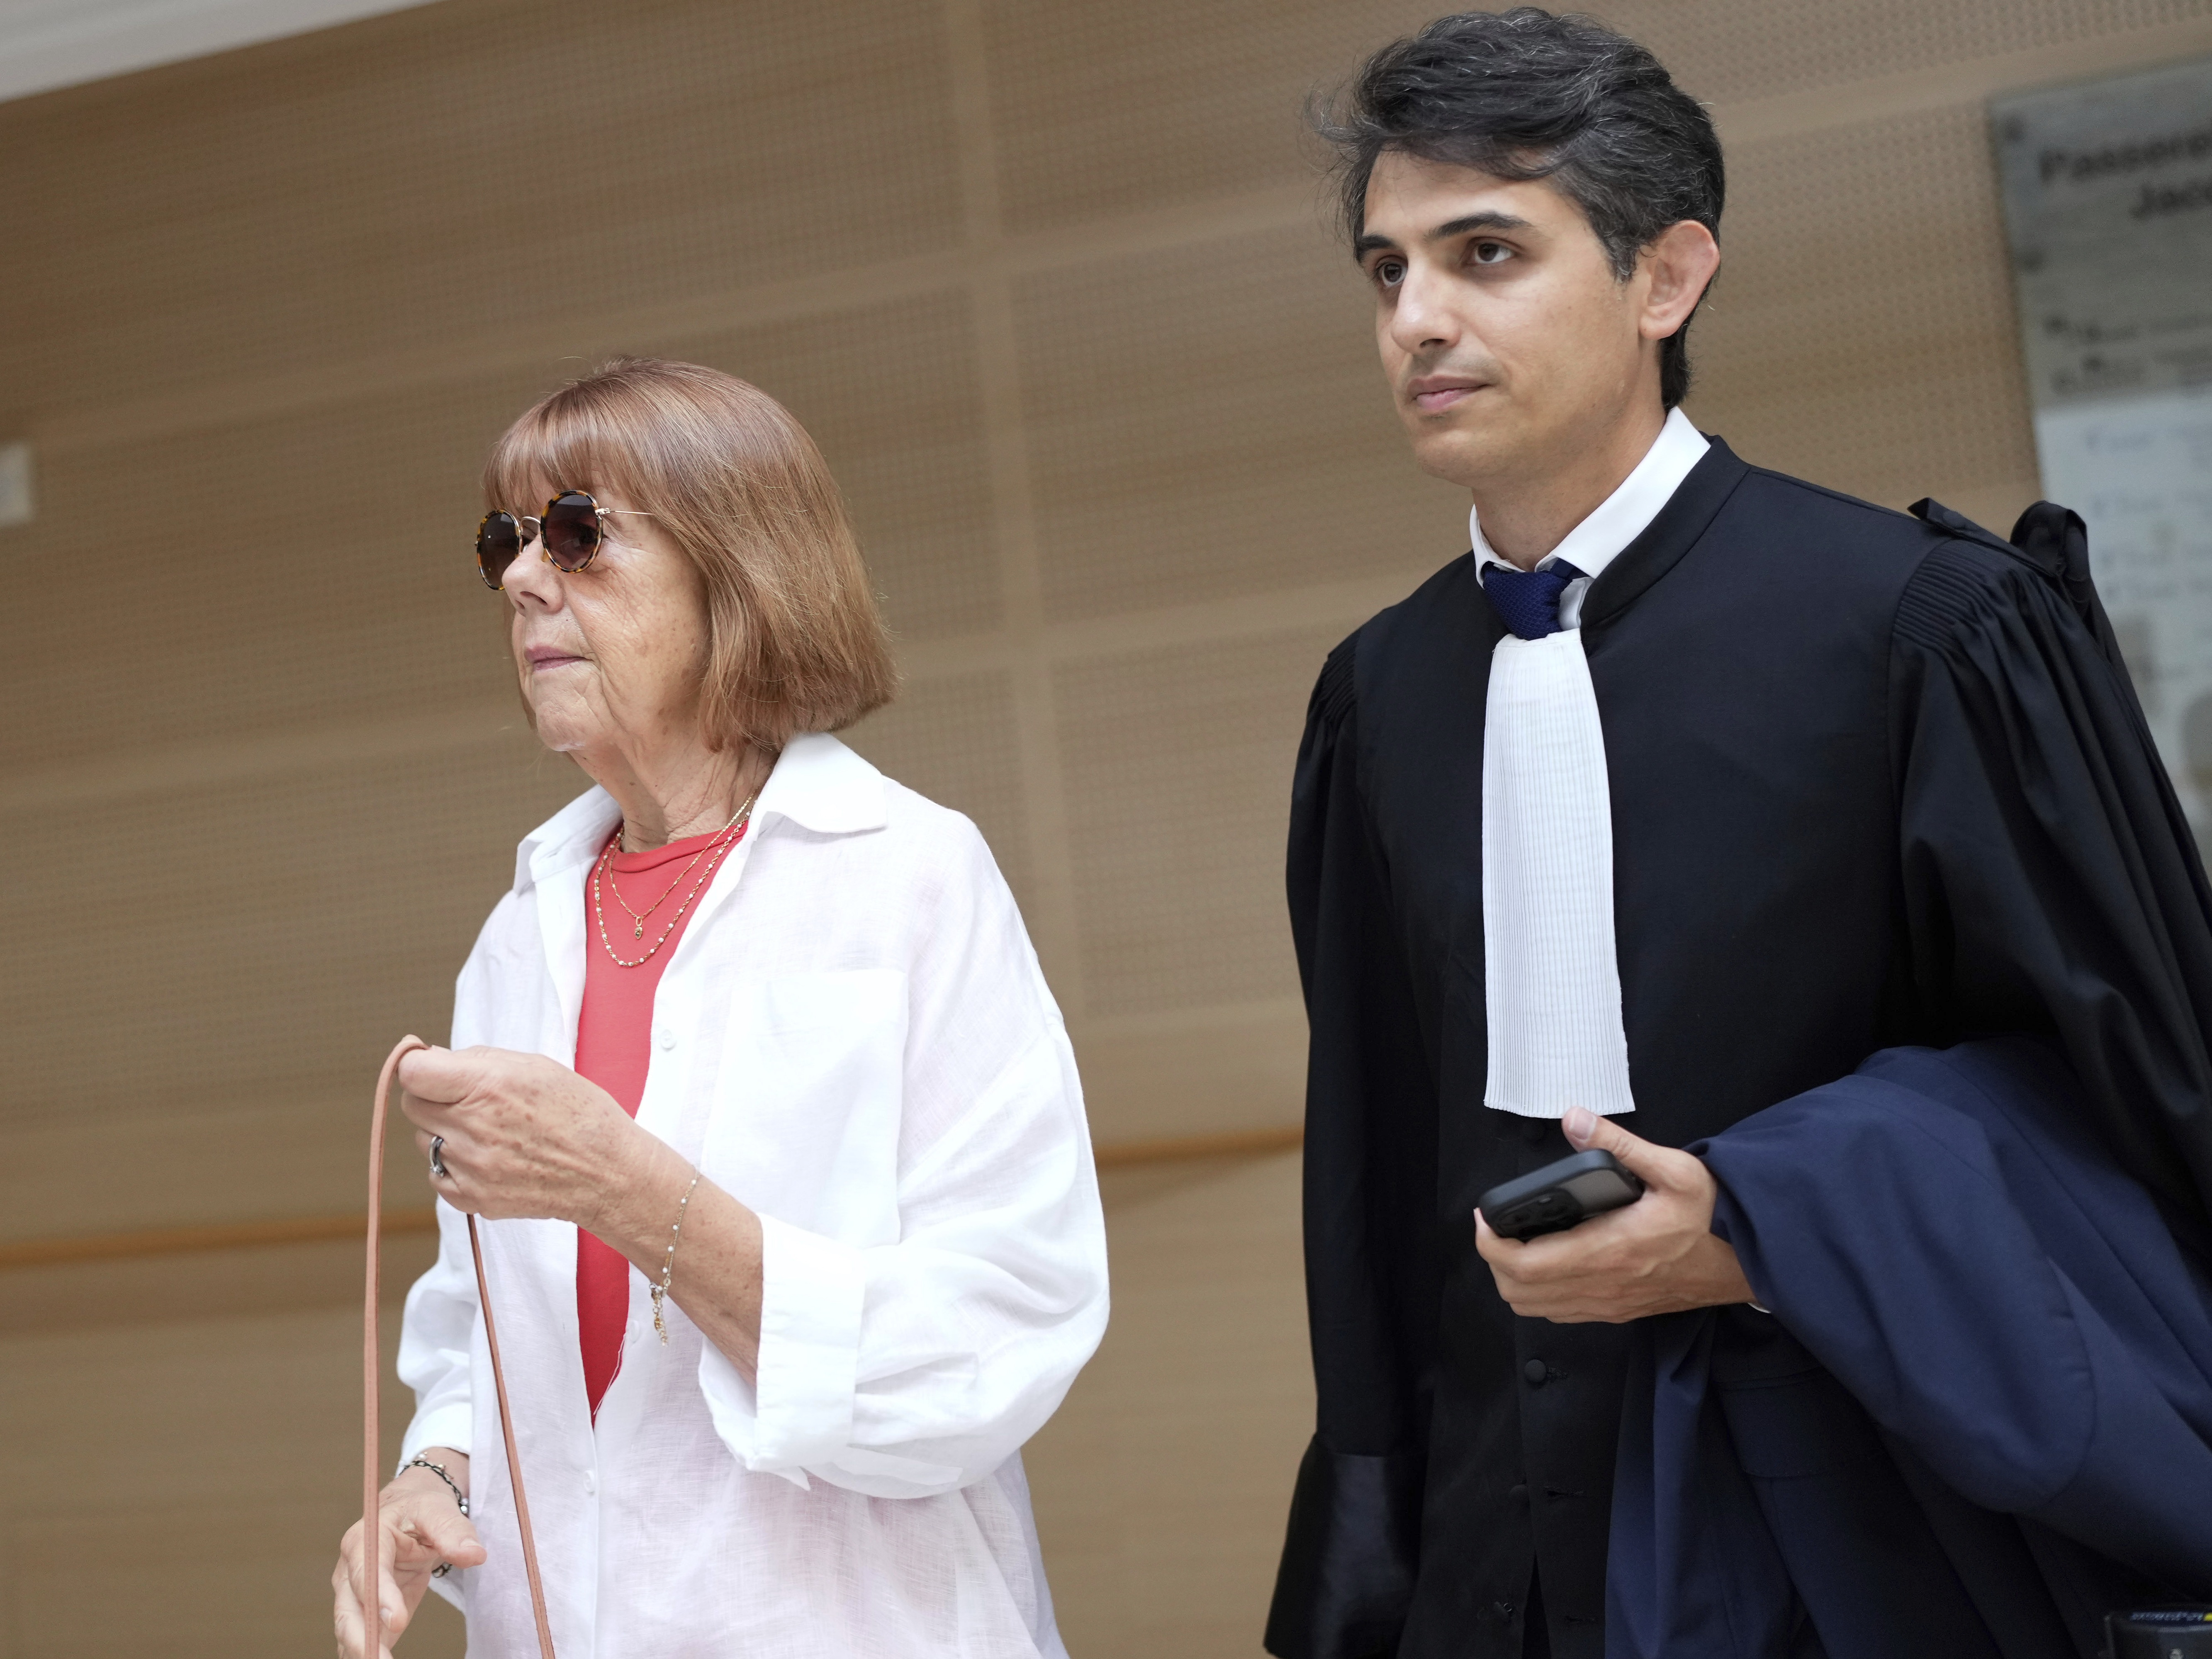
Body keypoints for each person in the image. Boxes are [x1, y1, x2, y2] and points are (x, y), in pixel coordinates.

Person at [1262, 12, 2212, 1659]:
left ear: (1665, 275)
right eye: (1385, 269)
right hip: (1498, 1541)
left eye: (1483, 252)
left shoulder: (1926, 631)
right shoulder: (1379, 697)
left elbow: (2135, 1102)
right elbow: (1368, 1173)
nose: (1416, 318)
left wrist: (1774, 1222)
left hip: (1869, 1526)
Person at [330, 357, 1108, 1658]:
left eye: (578, 533)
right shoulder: (517, 932)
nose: (525, 579)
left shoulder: (910, 877)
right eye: (504, 544)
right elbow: (480, 1325)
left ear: (737, 570)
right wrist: (437, 1478)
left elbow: (1000, 1331)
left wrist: (626, 1188)